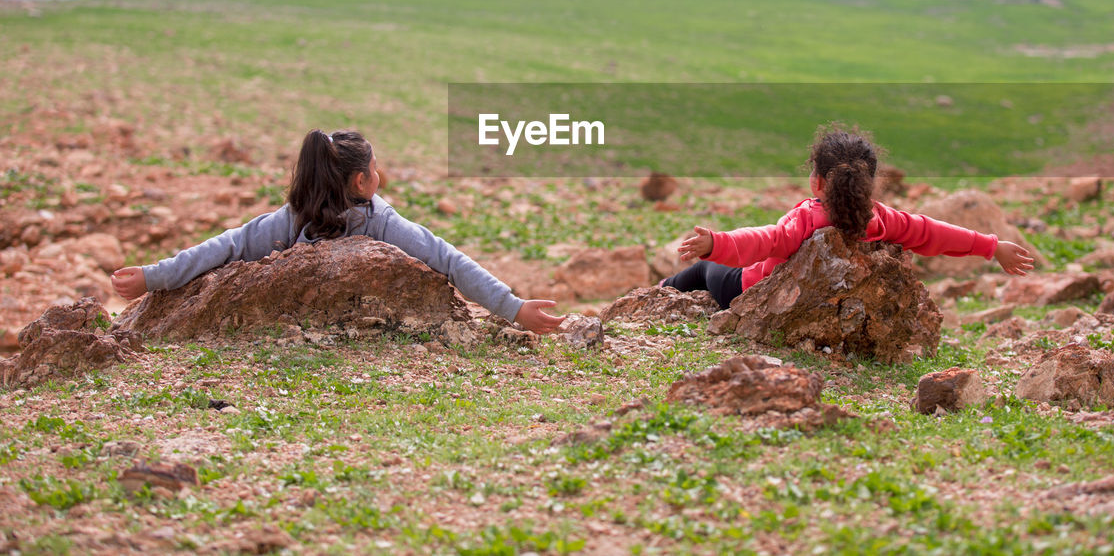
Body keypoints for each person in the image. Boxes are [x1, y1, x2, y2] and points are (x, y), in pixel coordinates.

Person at [110, 129, 564, 334]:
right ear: (362, 182)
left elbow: (227, 246)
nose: (379, 173)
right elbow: (445, 257)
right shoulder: (381, 222)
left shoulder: (291, 219)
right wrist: (513, 308)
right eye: (373, 168)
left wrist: (155, 274)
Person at [662, 125, 1036, 309]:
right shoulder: (881, 219)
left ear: (817, 181)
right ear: (870, 184)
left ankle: (660, 293)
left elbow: (765, 241)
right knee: (703, 273)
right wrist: (990, 246)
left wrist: (716, 243)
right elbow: (930, 232)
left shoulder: (809, 219)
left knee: (700, 273)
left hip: (746, 291)